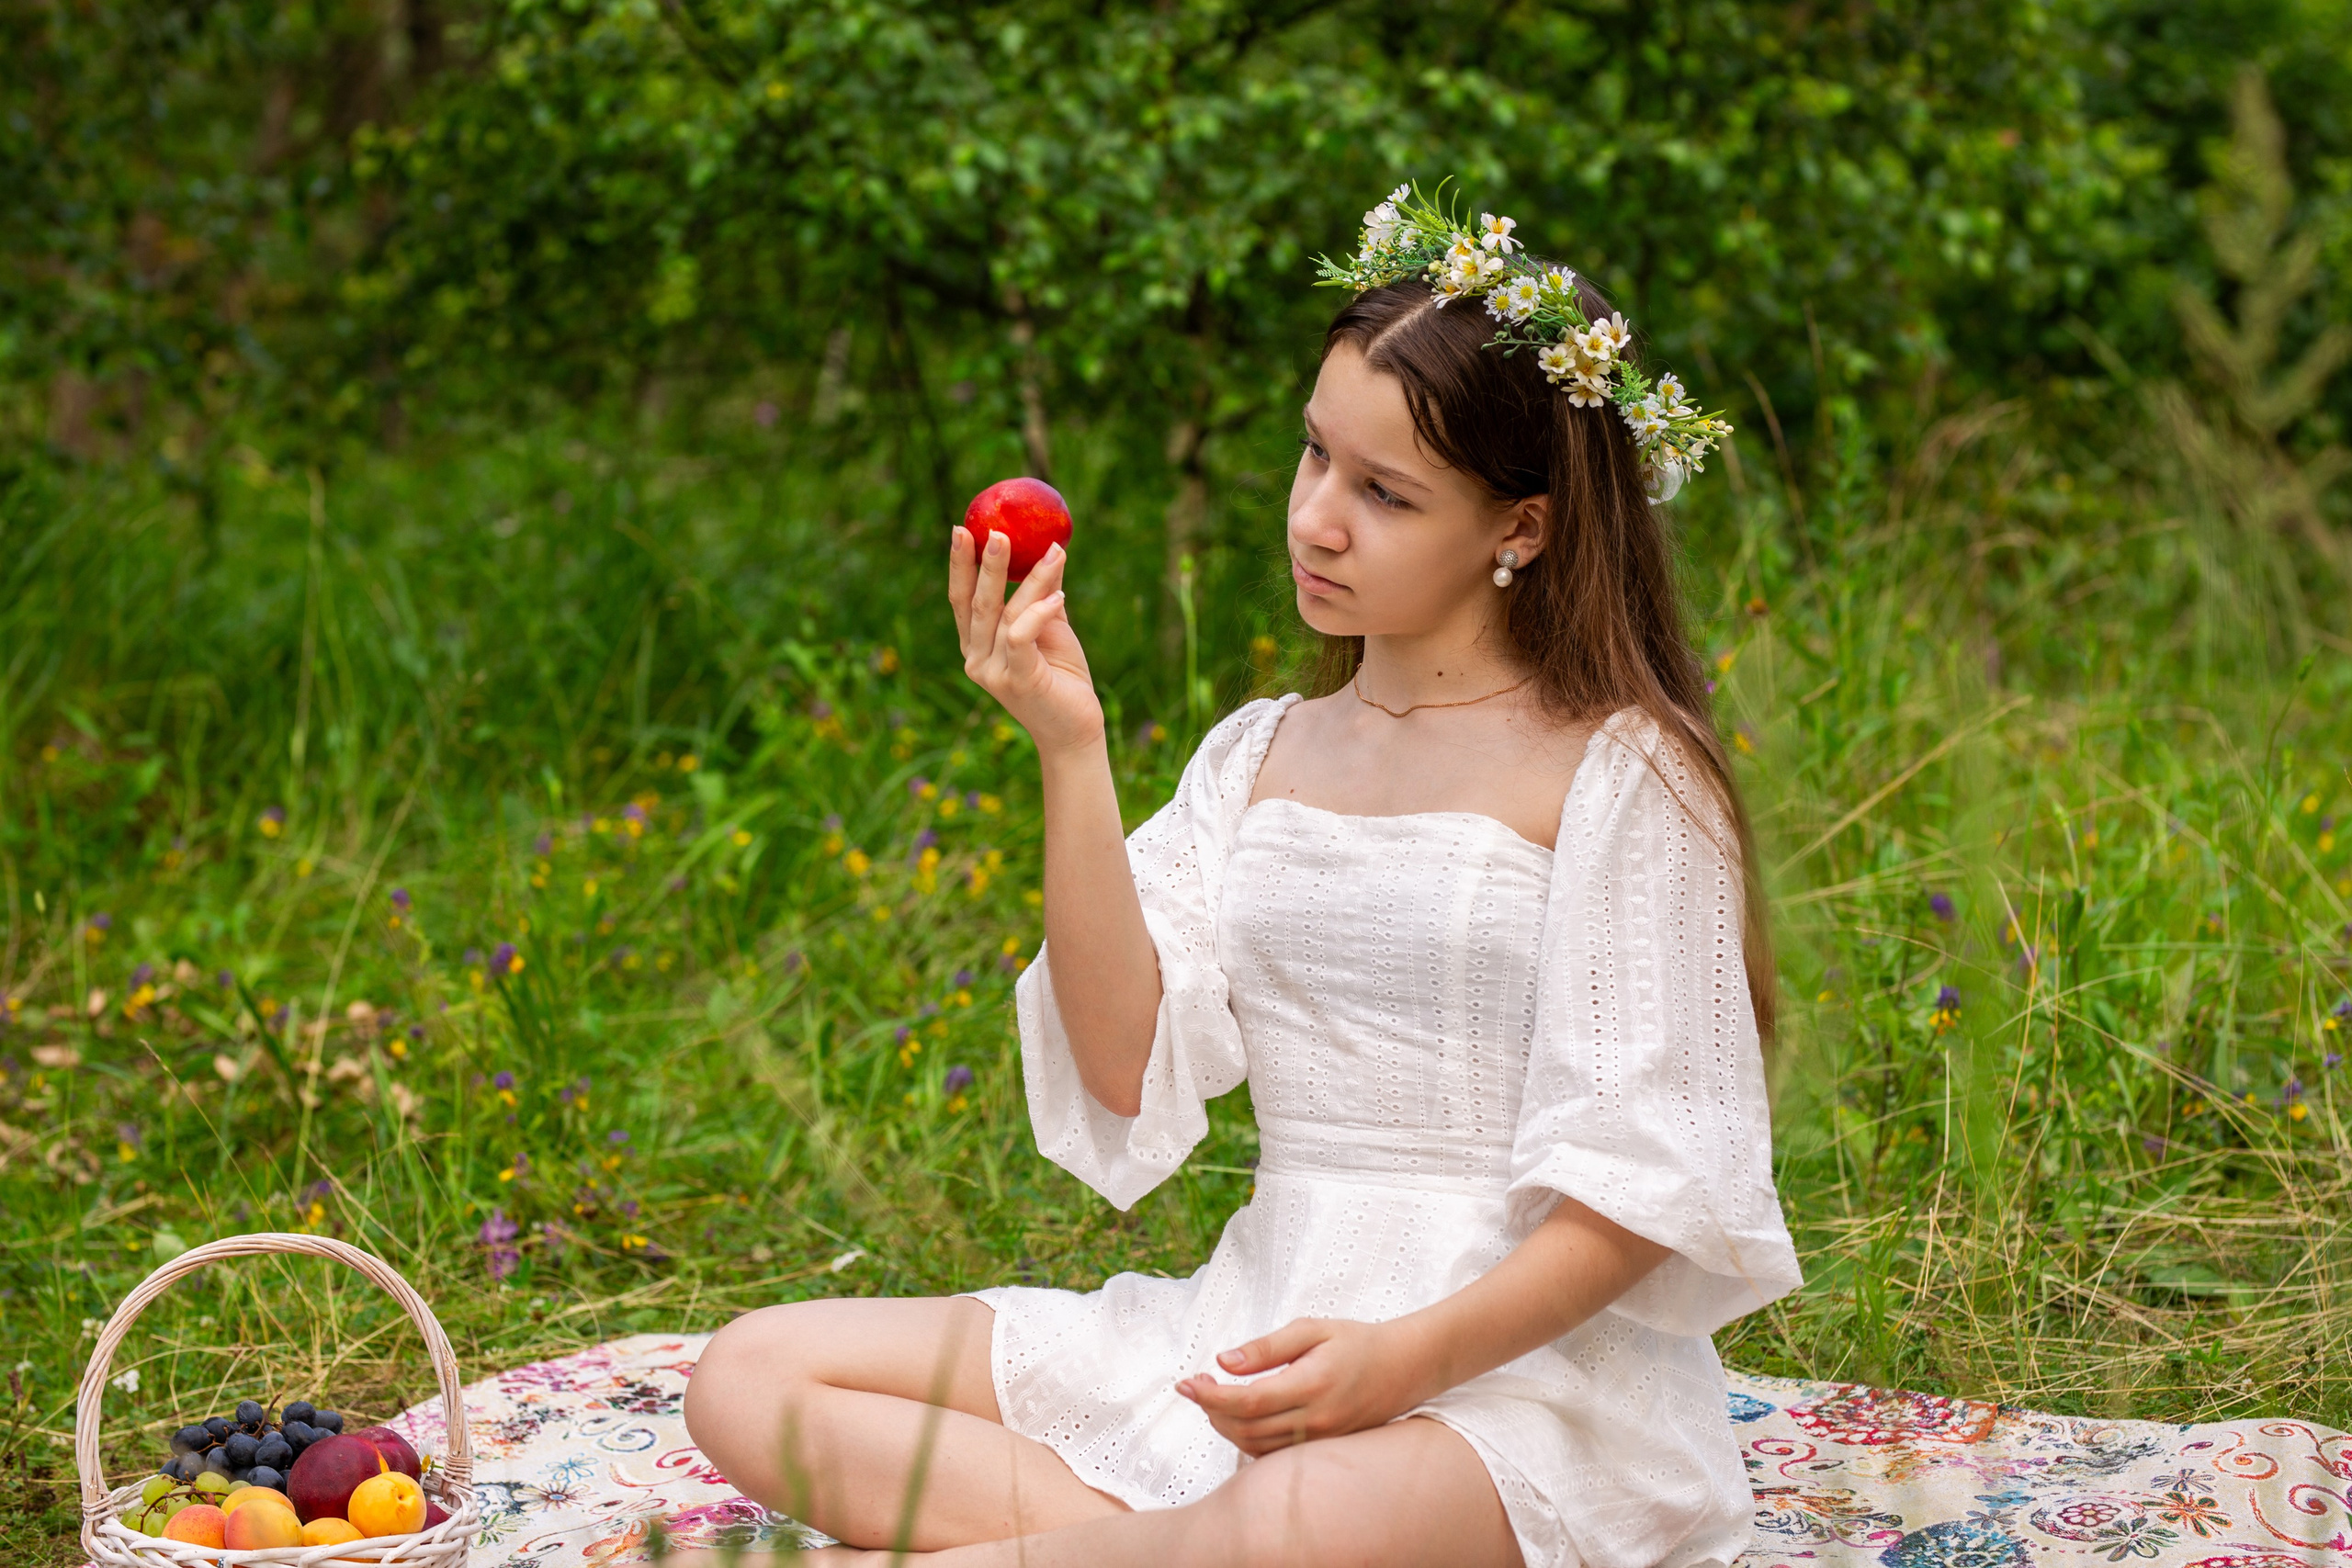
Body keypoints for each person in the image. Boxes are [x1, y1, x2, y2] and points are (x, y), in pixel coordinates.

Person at [680, 185, 1801, 1568]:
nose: (1318, 520)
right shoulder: (1259, 753)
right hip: (1261, 1325)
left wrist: (1401, 1364)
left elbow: (1643, 1189)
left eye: (1385, 494)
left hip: (1516, 1378)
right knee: (747, 1376)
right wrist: (1070, 749)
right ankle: (1174, 1548)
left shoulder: (1626, 772)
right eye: (1315, 456)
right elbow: (1116, 1061)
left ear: (1522, 527)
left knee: (1287, 1518)